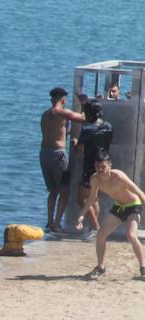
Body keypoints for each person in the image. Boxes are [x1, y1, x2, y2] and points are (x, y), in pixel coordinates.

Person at [86, 152, 145, 280]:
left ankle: (143, 269)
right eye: (97, 167)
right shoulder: (95, 179)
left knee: (131, 235)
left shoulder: (118, 176)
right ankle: (100, 267)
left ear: (109, 166)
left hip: (133, 205)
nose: (100, 170)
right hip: (119, 206)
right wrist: (81, 215)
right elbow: (92, 197)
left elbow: (140, 193)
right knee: (101, 235)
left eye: (103, 167)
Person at [40, 87, 86, 232]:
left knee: (53, 191)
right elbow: (83, 118)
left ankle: (49, 221)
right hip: (57, 155)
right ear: (63, 100)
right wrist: (84, 104)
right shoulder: (61, 112)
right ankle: (57, 224)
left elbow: (58, 132)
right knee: (64, 191)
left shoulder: (46, 114)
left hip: (44, 154)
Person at [74, 100, 113, 236]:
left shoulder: (87, 129)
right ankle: (92, 229)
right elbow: (110, 142)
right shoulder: (108, 126)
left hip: (90, 166)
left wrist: (74, 142)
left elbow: (78, 149)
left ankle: (96, 229)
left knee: (82, 199)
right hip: (104, 165)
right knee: (94, 198)